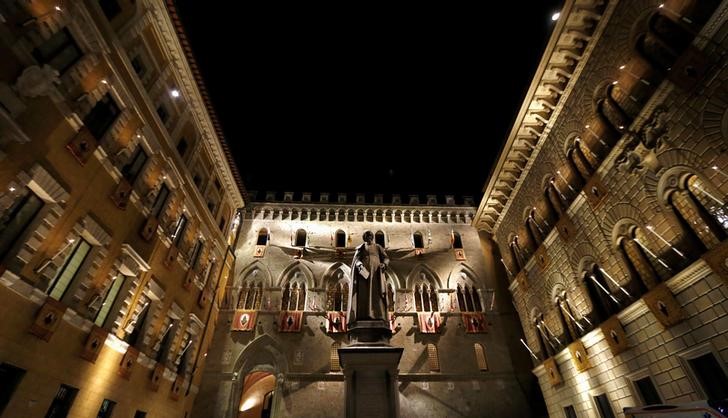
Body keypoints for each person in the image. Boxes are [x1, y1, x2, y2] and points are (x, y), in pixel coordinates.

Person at [347, 231, 389, 326]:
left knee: (376, 294)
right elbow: (356, 260)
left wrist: (384, 264)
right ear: (364, 238)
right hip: (364, 275)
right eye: (366, 236)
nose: (369, 238)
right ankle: (363, 315)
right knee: (363, 294)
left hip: (376, 274)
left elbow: (386, 258)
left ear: (372, 237)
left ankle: (378, 315)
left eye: (370, 236)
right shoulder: (361, 248)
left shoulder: (378, 247)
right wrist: (359, 264)